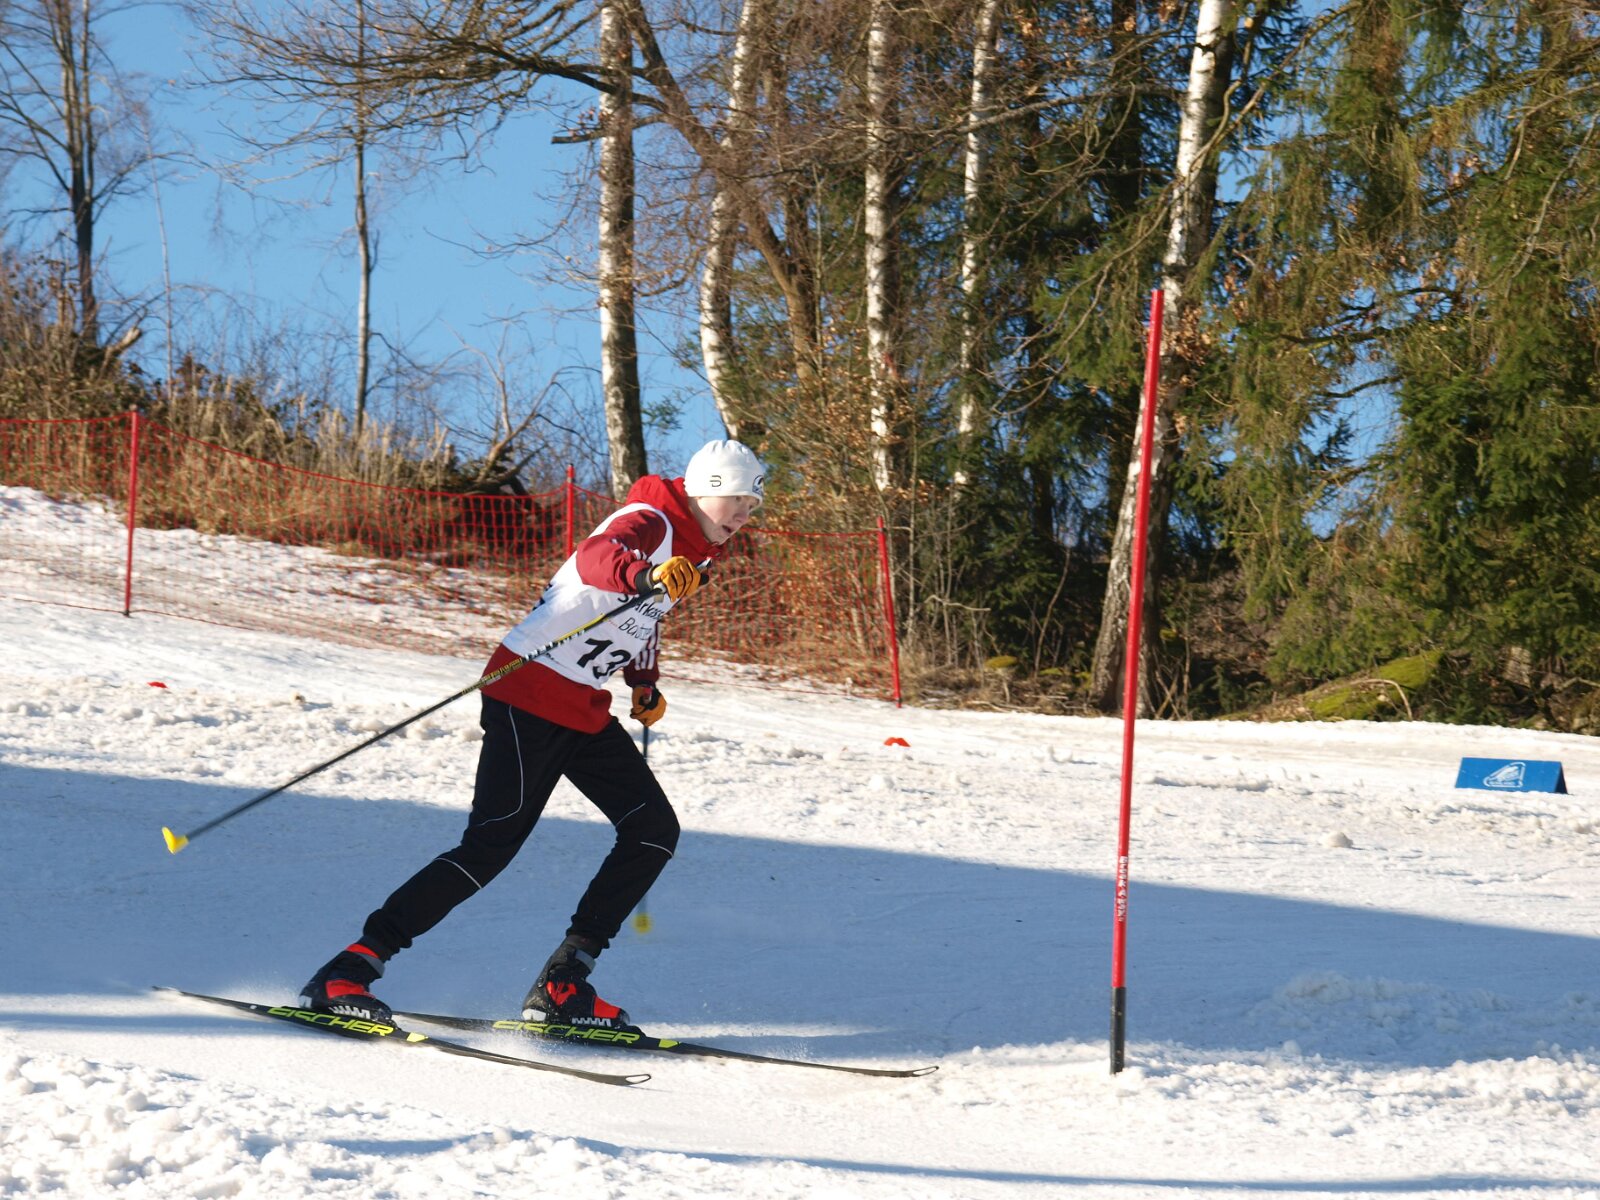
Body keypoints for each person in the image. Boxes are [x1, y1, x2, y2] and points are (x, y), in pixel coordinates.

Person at [299, 439, 766, 1030]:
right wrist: (644, 572)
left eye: (752, 506)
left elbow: (644, 616)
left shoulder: (698, 556)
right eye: (738, 501)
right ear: (706, 491)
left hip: (582, 705)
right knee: (490, 845)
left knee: (652, 830)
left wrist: (643, 681)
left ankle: (563, 983)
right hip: (529, 688)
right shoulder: (648, 519)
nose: (744, 515)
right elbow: (597, 559)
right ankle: (348, 970)